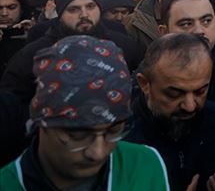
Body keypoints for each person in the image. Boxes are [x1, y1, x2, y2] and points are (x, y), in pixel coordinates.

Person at [0, 35, 169, 191]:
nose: (97, 153)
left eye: (113, 131)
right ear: (42, 120)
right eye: (78, 134)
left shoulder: (144, 166)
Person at [0, 0, 143, 103]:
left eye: (90, 6)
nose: (84, 15)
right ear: (60, 13)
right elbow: (12, 101)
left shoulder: (123, 46)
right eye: (74, 9)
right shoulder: (35, 53)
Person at [126, 33, 215, 191]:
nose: (190, 106)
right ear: (145, 84)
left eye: (200, 92)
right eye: (174, 94)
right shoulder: (120, 140)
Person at [0, 0, 33, 75]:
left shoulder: (34, 34)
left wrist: (33, 35)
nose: (4, 14)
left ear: (22, 8)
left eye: (12, 7)